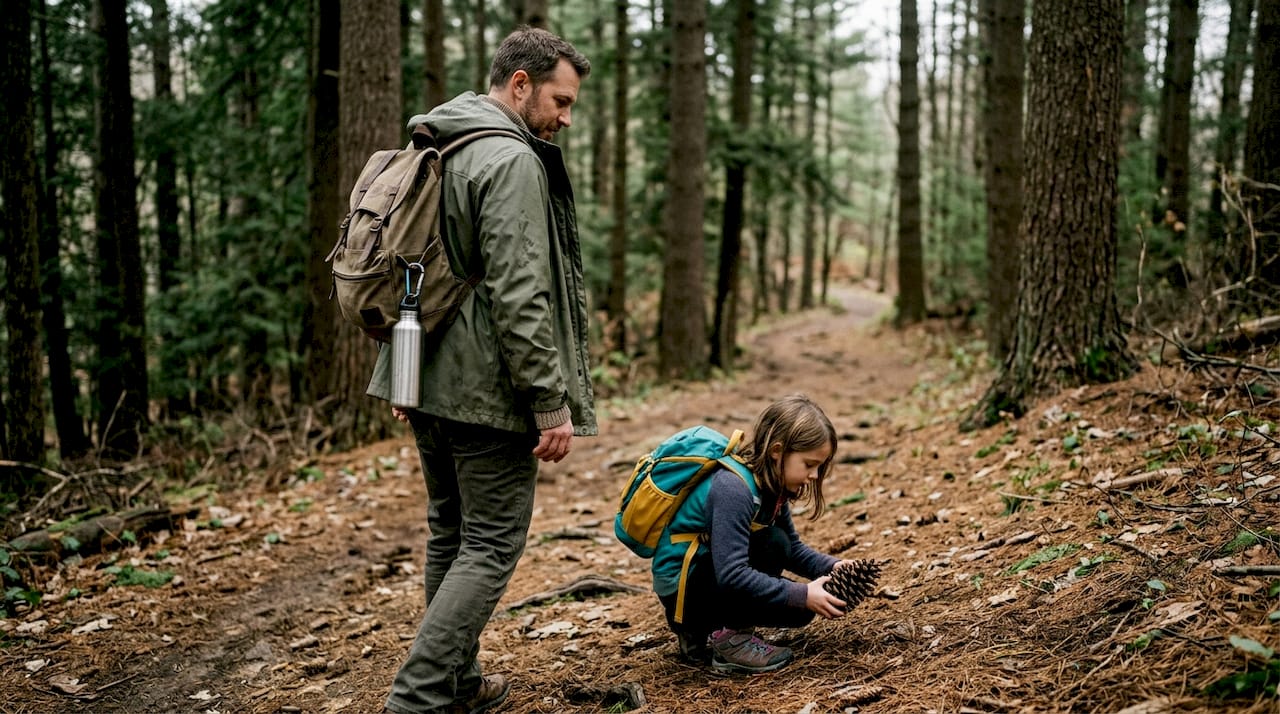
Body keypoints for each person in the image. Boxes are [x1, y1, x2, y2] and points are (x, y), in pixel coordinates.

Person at [366, 26, 596, 714]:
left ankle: (457, 685)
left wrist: (403, 375)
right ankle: (418, 699)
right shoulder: (510, 159)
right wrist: (549, 401)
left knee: (451, 529)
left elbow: (413, 272)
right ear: (520, 84)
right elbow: (520, 294)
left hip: (423, 373)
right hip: (484, 390)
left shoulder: (437, 141)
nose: (566, 117)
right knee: (492, 542)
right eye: (560, 100)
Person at [652, 394, 850, 674]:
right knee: (773, 544)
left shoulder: (771, 487)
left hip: (707, 578)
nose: (815, 476)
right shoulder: (733, 489)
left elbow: (793, 550)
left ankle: (701, 634)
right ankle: (729, 640)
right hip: (684, 592)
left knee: (801, 609)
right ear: (777, 451)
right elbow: (732, 574)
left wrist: (835, 568)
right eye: (809, 464)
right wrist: (802, 592)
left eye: (820, 467)